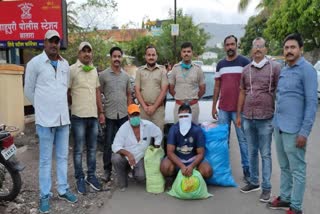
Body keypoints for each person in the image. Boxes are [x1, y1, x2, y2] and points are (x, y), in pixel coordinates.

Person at [24, 30, 77, 213]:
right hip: (45, 121)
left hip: (63, 118)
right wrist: (42, 108)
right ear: (44, 42)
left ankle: (63, 189)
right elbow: (28, 91)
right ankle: (44, 195)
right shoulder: (35, 64)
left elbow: (65, 89)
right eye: (50, 41)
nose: (54, 44)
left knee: (63, 157)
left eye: (56, 41)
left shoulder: (65, 64)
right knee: (45, 160)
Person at [267, 33, 318, 214]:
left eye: (293, 47)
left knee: (298, 169)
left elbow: (312, 103)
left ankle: (296, 207)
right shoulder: (285, 70)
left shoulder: (307, 70)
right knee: (284, 166)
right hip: (279, 127)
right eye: (286, 48)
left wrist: (304, 132)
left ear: (301, 49)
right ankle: (285, 197)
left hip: (295, 130)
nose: (289, 51)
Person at [236, 37, 281, 202]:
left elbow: (279, 92)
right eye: (255, 47)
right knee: (252, 151)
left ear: (266, 50)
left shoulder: (274, 68)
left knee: (266, 153)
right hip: (248, 117)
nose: (258, 50)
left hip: (266, 118)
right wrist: (239, 115)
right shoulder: (246, 70)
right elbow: (242, 92)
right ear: (251, 50)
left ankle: (267, 187)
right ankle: (254, 182)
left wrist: (279, 115)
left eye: (261, 47)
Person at [211, 35, 251, 182]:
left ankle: (248, 172)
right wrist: (213, 106)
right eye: (227, 45)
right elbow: (216, 87)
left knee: (243, 141)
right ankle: (221, 171)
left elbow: (250, 85)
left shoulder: (245, 62)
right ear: (224, 47)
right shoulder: (220, 65)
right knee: (222, 142)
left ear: (237, 45)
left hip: (240, 111)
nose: (230, 47)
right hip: (223, 110)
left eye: (232, 44)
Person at [68, 42, 105, 194]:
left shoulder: (94, 71)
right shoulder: (72, 70)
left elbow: (97, 93)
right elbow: (67, 92)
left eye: (89, 51)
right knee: (78, 150)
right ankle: (79, 178)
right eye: (84, 51)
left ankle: (91, 176)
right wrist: (74, 105)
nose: (87, 54)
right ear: (79, 54)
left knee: (92, 149)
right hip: (78, 116)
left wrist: (101, 112)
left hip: (93, 116)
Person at [111, 104, 162, 191]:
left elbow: (158, 133)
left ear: (139, 115)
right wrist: (128, 154)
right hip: (126, 157)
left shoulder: (147, 125)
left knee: (141, 177)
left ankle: (134, 172)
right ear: (128, 116)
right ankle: (123, 180)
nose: (135, 117)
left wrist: (156, 147)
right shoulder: (123, 128)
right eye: (132, 115)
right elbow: (115, 146)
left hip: (140, 157)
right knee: (116, 158)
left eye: (136, 114)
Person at [99, 46, 132, 182]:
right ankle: (107, 171)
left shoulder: (126, 76)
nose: (117, 59)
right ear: (111, 58)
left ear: (121, 58)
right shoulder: (103, 75)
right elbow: (98, 93)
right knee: (108, 144)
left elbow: (129, 94)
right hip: (109, 115)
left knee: (125, 143)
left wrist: (130, 111)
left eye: (119, 56)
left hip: (124, 114)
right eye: (114, 56)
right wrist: (101, 112)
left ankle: (126, 169)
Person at [160, 103, 212, 180]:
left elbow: (201, 153)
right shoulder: (174, 129)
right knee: (165, 168)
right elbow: (170, 152)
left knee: (207, 171)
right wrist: (182, 166)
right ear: (178, 116)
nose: (184, 118)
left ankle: (194, 177)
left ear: (191, 116)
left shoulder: (197, 130)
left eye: (186, 116)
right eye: (181, 116)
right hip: (178, 159)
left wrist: (191, 166)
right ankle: (176, 177)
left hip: (193, 159)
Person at [169, 42, 206, 124]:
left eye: (188, 51)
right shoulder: (175, 69)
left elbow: (202, 89)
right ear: (181, 53)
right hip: (179, 106)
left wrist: (194, 99)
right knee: (178, 131)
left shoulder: (198, 69)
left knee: (193, 132)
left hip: (193, 107)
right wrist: (179, 98)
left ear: (192, 53)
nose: (186, 54)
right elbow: (171, 88)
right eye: (184, 51)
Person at [135, 45, 168, 132]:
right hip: (143, 110)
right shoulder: (140, 71)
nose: (151, 57)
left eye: (153, 55)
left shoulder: (162, 71)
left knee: (158, 137)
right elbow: (137, 90)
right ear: (145, 56)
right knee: (145, 138)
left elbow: (164, 90)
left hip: (158, 110)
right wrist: (145, 107)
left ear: (156, 56)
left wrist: (154, 107)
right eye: (149, 55)